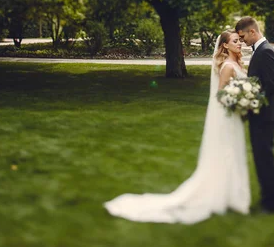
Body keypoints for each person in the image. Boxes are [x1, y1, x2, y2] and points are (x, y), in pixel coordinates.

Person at [104, 30, 250, 224]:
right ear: (224, 45)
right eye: (235, 41)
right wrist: (239, 100)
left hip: (234, 118)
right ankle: (221, 195)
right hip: (228, 117)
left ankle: (232, 194)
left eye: (240, 41)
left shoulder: (237, 63)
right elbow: (220, 95)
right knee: (226, 152)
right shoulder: (227, 67)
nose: (239, 43)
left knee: (233, 152)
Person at [235, 17, 274, 214]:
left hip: (264, 116)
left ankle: (270, 205)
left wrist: (249, 101)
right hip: (258, 116)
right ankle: (266, 200)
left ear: (252, 32)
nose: (242, 40)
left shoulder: (266, 51)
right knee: (261, 159)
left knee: (265, 159)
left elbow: (270, 86)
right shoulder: (260, 50)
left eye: (243, 36)